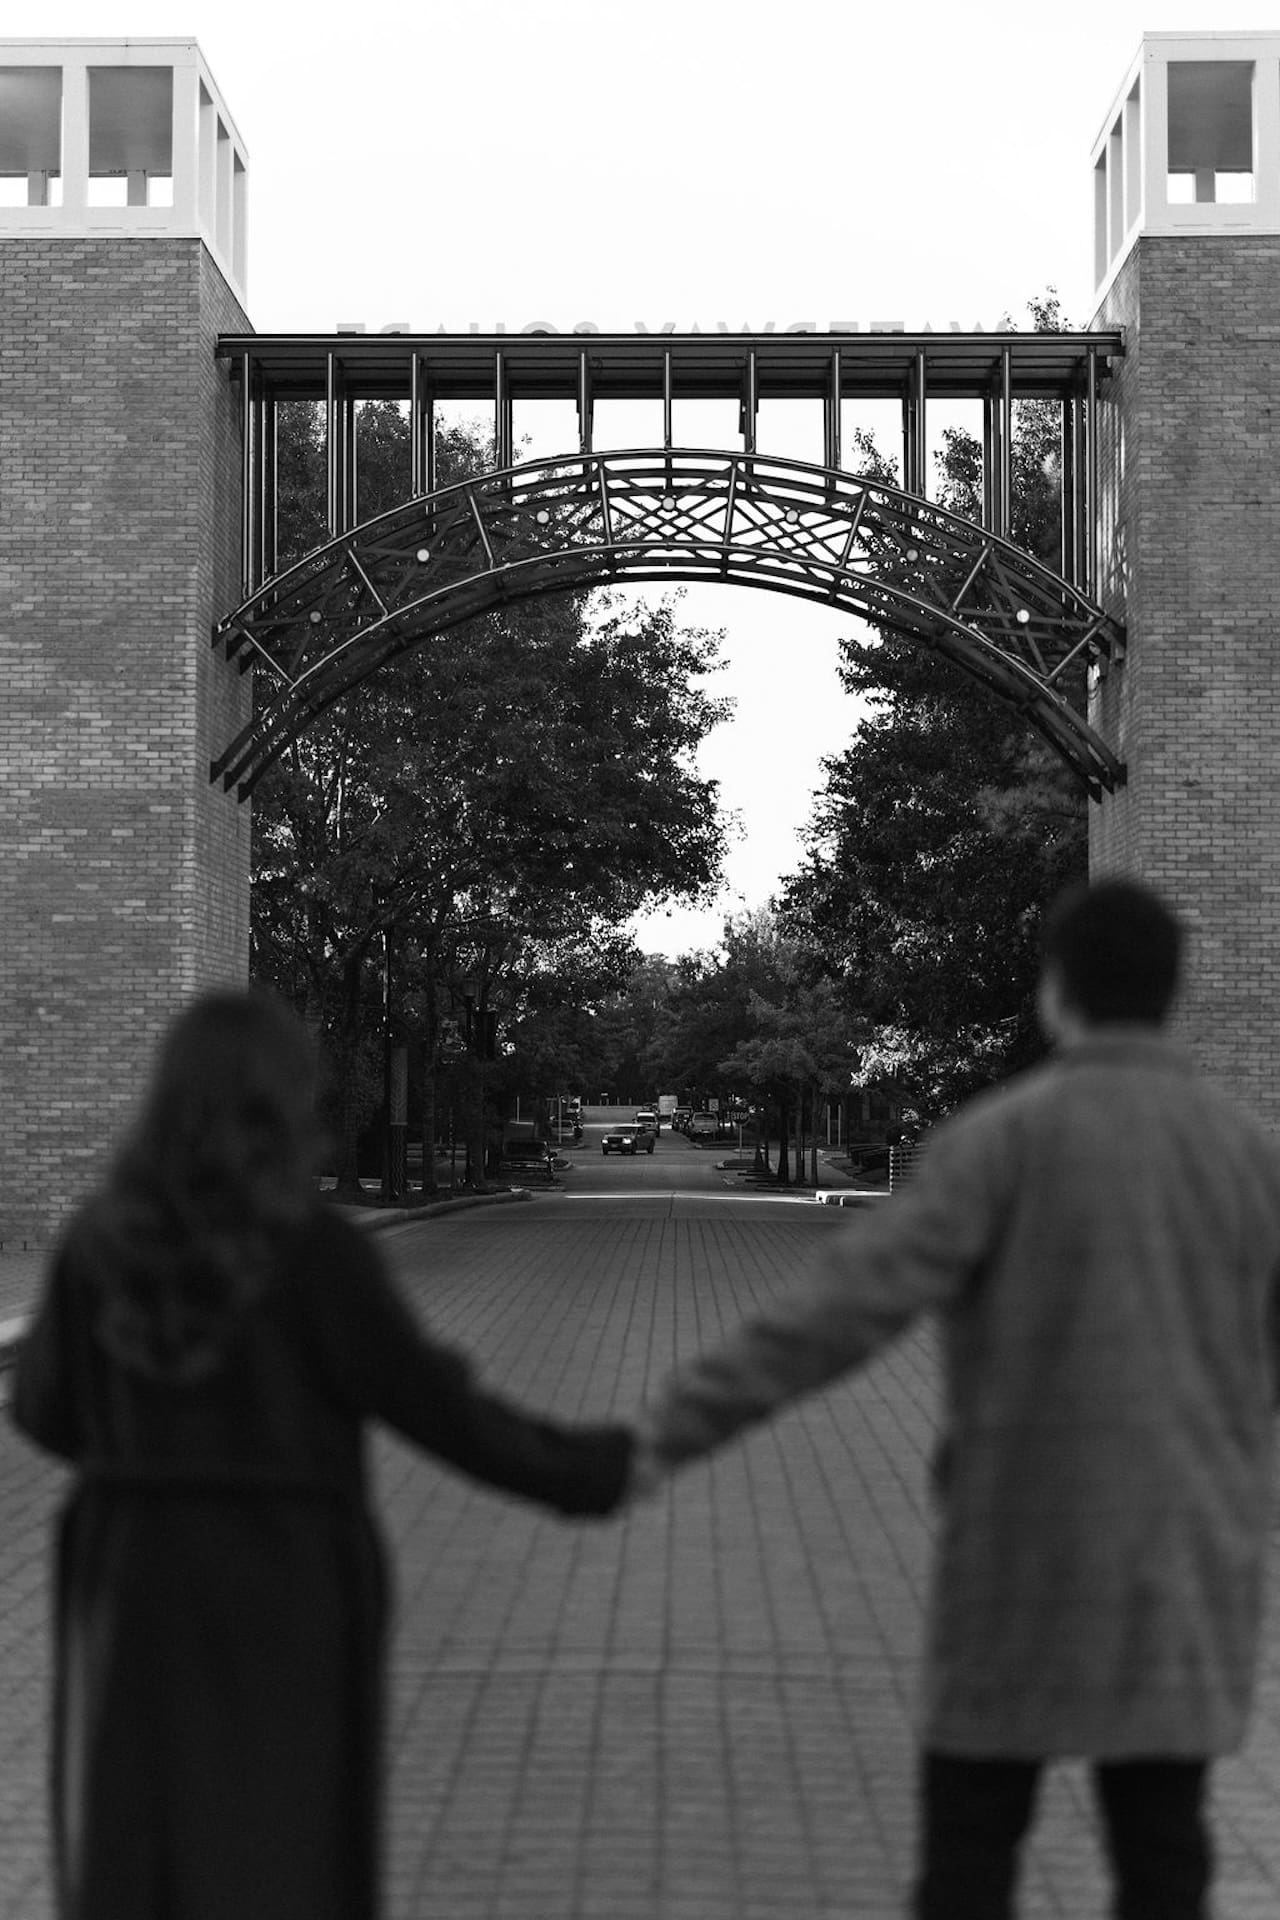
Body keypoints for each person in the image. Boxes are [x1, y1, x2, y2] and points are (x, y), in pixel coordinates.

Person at [635, 878, 1280, 1920]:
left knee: (971, 1850)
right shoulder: (1247, 1161)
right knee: (1163, 1847)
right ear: (1170, 994)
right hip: (1186, 1557)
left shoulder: (999, 1142)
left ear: (1055, 993)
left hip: (1020, 1549)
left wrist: (665, 1430)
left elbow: (842, 1308)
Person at [11, 988, 633, 1920]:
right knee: (283, 1830)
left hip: (132, 1571)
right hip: (286, 1575)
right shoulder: (316, 1255)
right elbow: (439, 1412)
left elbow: (44, 1408)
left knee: (140, 1820)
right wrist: (587, 1468)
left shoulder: (101, 1245)